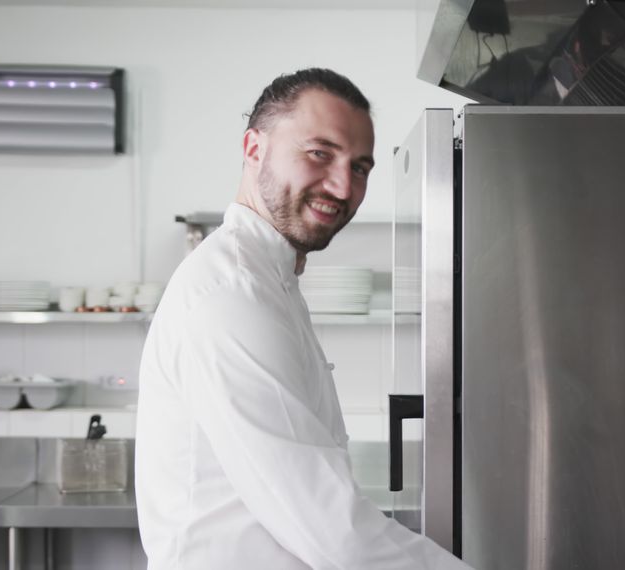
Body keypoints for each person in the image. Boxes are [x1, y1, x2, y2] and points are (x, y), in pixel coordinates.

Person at [135, 68, 471, 569]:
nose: (342, 186)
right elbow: (333, 531)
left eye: (360, 167)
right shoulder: (232, 293)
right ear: (254, 148)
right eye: (320, 154)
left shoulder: (267, 278)